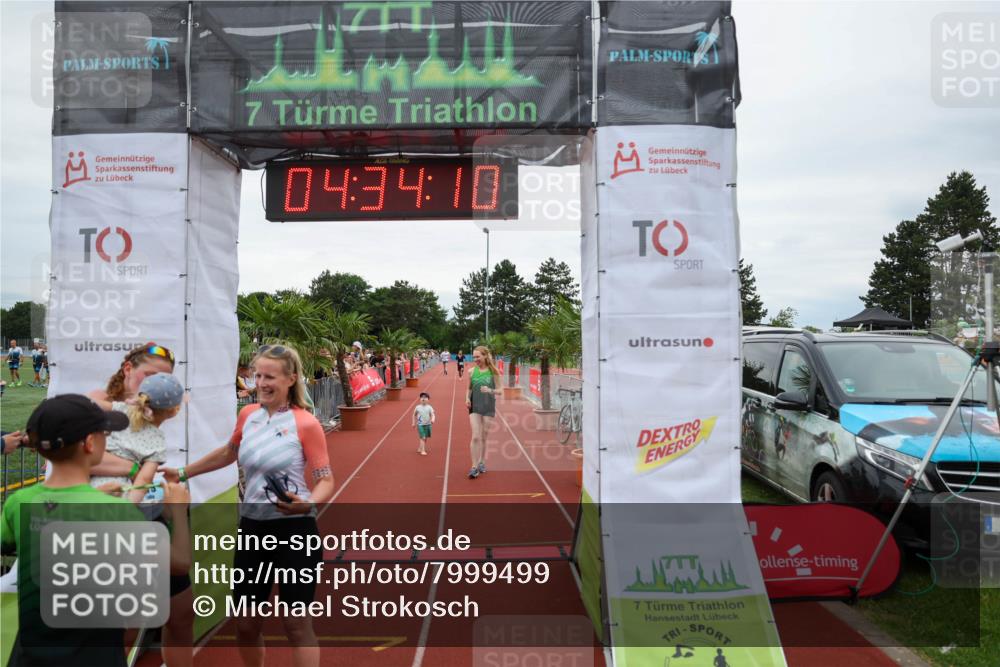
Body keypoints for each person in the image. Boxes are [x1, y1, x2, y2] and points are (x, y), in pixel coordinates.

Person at [160, 344, 334, 667]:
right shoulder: (248, 415)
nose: (261, 383)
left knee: (296, 625)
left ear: (291, 378)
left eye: (270, 376)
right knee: (245, 625)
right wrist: (184, 471)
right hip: (253, 531)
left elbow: (326, 479)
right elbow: (229, 453)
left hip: (295, 531)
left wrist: (308, 502)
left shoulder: (306, 423)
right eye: (258, 375)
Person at [0, 394, 191, 667]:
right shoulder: (117, 512)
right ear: (90, 443)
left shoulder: (19, 502)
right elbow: (180, 563)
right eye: (105, 433)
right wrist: (179, 510)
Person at [90, 372, 185, 504]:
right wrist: (129, 507)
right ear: (174, 411)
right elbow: (144, 480)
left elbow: (89, 404)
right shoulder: (157, 441)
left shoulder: (121, 408)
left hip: (85, 482)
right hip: (117, 491)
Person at [466, 346, 501, 479]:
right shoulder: (470, 371)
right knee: (475, 436)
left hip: (488, 405)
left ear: (485, 356)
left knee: (483, 436)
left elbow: (501, 390)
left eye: (477, 357)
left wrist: (490, 390)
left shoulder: (494, 372)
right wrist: (466, 398)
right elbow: (469, 388)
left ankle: (482, 461)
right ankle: (474, 466)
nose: (475, 359)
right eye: (474, 357)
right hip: (474, 405)